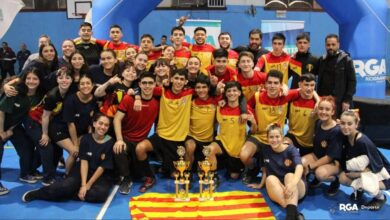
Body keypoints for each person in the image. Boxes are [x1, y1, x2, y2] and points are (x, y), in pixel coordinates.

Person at [22, 113, 114, 203]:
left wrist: (88, 185)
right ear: (94, 124)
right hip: (82, 170)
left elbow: (101, 167)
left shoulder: (110, 142)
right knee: (65, 187)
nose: (103, 127)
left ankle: (68, 194)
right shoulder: (86, 139)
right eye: (100, 123)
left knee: (99, 195)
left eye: (106, 125)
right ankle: (38, 193)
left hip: (100, 175)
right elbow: (84, 163)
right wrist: (83, 184)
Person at [135, 69, 193, 193]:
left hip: (179, 139)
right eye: (176, 78)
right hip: (161, 136)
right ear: (171, 79)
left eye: (182, 79)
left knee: (174, 174)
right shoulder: (162, 91)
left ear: (186, 82)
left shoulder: (190, 93)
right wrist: (137, 97)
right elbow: (141, 88)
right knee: (140, 148)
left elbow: (209, 91)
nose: (178, 81)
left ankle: (186, 174)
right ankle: (150, 177)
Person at [240, 70, 300, 184]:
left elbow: (304, 90)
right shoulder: (258, 96)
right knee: (244, 156)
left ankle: (286, 175)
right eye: (270, 83)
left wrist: (317, 101)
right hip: (259, 135)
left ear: (281, 85)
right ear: (265, 84)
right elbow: (246, 105)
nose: (272, 86)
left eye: (276, 83)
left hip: (276, 138)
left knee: (289, 151)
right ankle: (253, 168)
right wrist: (253, 117)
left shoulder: (287, 96)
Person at [113, 72, 159, 194]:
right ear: (139, 85)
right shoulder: (129, 98)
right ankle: (126, 179)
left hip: (142, 141)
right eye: (144, 83)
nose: (147, 86)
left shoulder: (158, 101)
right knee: (119, 149)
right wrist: (119, 139)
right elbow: (117, 118)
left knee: (139, 173)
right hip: (127, 138)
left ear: (155, 84)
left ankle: (152, 173)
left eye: (150, 83)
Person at [248, 123, 305, 220]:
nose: (274, 140)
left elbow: (299, 166)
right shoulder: (265, 150)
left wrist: (292, 184)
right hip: (278, 189)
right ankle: (294, 212)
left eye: (277, 136)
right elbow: (265, 169)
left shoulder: (290, 149)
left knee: (289, 176)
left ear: (282, 137)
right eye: (271, 137)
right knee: (270, 179)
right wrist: (261, 184)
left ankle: (290, 216)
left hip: (295, 187)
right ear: (267, 138)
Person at [0, 68, 44, 192]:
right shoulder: (15, 91)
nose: (31, 81)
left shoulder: (37, 97)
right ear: (23, 80)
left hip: (13, 127)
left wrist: (10, 130)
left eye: (35, 79)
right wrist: (2, 132)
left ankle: (25, 174)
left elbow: (21, 116)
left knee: (27, 147)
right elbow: (1, 112)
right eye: (28, 78)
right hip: (0, 124)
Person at [339, 110, 390, 210]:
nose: (345, 127)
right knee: (342, 178)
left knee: (365, 184)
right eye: (343, 123)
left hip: (383, 173)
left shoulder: (363, 141)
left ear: (356, 124)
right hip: (366, 168)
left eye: (349, 124)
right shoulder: (346, 136)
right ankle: (360, 189)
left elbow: (378, 165)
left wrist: (357, 175)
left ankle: (380, 197)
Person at [207, 81, 256, 182]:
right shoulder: (220, 107)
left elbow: (254, 131)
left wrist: (254, 123)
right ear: (225, 94)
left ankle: (251, 167)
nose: (232, 93)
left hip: (237, 148)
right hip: (223, 143)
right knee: (209, 150)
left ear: (239, 93)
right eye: (229, 91)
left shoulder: (246, 110)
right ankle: (213, 177)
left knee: (234, 176)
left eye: (235, 90)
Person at [301, 96, 343, 196]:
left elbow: (329, 157)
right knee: (300, 163)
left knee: (320, 174)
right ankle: (315, 178)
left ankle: (335, 180)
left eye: (327, 109)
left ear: (333, 112)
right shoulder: (318, 123)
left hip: (333, 162)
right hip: (317, 155)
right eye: (321, 108)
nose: (323, 112)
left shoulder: (336, 131)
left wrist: (312, 166)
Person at [317, 34, 356, 116]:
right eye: (328, 45)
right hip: (324, 102)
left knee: (341, 126)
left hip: (341, 102)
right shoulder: (322, 60)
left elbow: (352, 81)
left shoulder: (346, 60)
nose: (330, 47)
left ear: (338, 45)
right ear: (325, 45)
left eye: (333, 44)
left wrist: (347, 100)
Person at [63, 75, 97, 159]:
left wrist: (89, 139)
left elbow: (91, 122)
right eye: (82, 84)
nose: (85, 86)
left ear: (93, 85)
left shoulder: (95, 100)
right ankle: (67, 172)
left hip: (82, 132)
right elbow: (70, 124)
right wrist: (75, 145)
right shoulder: (70, 100)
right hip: (65, 131)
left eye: (88, 83)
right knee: (75, 152)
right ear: (78, 86)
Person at [285, 73, 317, 156]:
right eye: (306, 85)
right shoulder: (293, 96)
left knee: (304, 166)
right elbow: (278, 95)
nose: (309, 88)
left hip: (310, 143)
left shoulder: (319, 103)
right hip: (293, 136)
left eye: (312, 85)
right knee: (283, 147)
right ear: (300, 85)